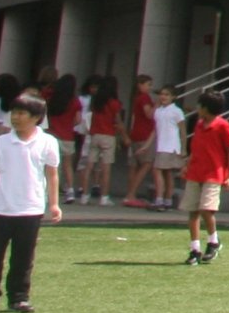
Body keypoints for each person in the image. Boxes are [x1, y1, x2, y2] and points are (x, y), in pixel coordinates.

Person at [0, 93, 62, 313]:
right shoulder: (1, 142)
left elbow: (52, 174)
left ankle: (19, 297)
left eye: (21, 113)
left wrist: (53, 204)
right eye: (14, 112)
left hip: (30, 210)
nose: (15, 117)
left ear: (36, 117)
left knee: (23, 259)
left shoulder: (47, 142)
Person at [182, 90, 229, 265]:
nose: (198, 108)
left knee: (207, 209)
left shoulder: (222, 125)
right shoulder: (199, 125)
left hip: (213, 174)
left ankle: (213, 241)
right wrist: (187, 165)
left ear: (206, 108)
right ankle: (194, 249)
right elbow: (197, 148)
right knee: (193, 212)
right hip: (196, 172)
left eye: (200, 105)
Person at [79, 77, 121, 206]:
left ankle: (84, 196)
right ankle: (104, 197)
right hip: (108, 135)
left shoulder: (96, 101)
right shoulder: (114, 103)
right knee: (106, 168)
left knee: (89, 166)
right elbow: (118, 121)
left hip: (95, 135)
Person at [148, 83, 187, 212]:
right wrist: (147, 145)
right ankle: (167, 200)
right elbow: (155, 130)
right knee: (167, 173)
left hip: (171, 146)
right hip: (161, 146)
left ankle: (160, 199)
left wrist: (183, 149)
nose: (163, 97)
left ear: (173, 97)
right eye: (162, 94)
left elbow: (182, 131)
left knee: (158, 170)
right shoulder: (158, 111)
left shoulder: (176, 111)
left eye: (167, 94)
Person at [121, 77, 158, 206]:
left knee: (134, 165)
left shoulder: (136, 98)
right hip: (144, 134)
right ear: (140, 85)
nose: (150, 87)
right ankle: (131, 194)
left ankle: (130, 195)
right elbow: (149, 114)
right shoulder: (144, 98)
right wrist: (157, 104)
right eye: (148, 84)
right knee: (147, 163)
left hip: (135, 133)